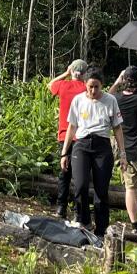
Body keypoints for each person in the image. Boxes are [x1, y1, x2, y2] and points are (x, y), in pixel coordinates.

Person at [61, 68, 128, 237]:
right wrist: (64, 153)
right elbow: (72, 127)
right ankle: (83, 220)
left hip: (102, 145)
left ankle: (101, 228)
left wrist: (122, 154)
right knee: (81, 184)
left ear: (102, 85)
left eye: (96, 87)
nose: (93, 91)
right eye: (90, 87)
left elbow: (117, 128)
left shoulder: (110, 100)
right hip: (81, 144)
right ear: (85, 84)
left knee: (101, 189)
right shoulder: (78, 100)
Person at [111, 66, 137, 233]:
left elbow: (107, 95)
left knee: (130, 188)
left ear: (124, 81)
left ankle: (134, 225)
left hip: (125, 151)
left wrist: (117, 80)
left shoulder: (117, 99)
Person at [47, 58, 89, 218]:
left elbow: (50, 84)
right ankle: (79, 211)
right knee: (80, 175)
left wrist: (65, 73)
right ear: (85, 74)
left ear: (71, 71)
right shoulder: (87, 88)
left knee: (64, 174)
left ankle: (61, 207)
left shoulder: (63, 86)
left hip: (64, 135)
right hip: (82, 136)